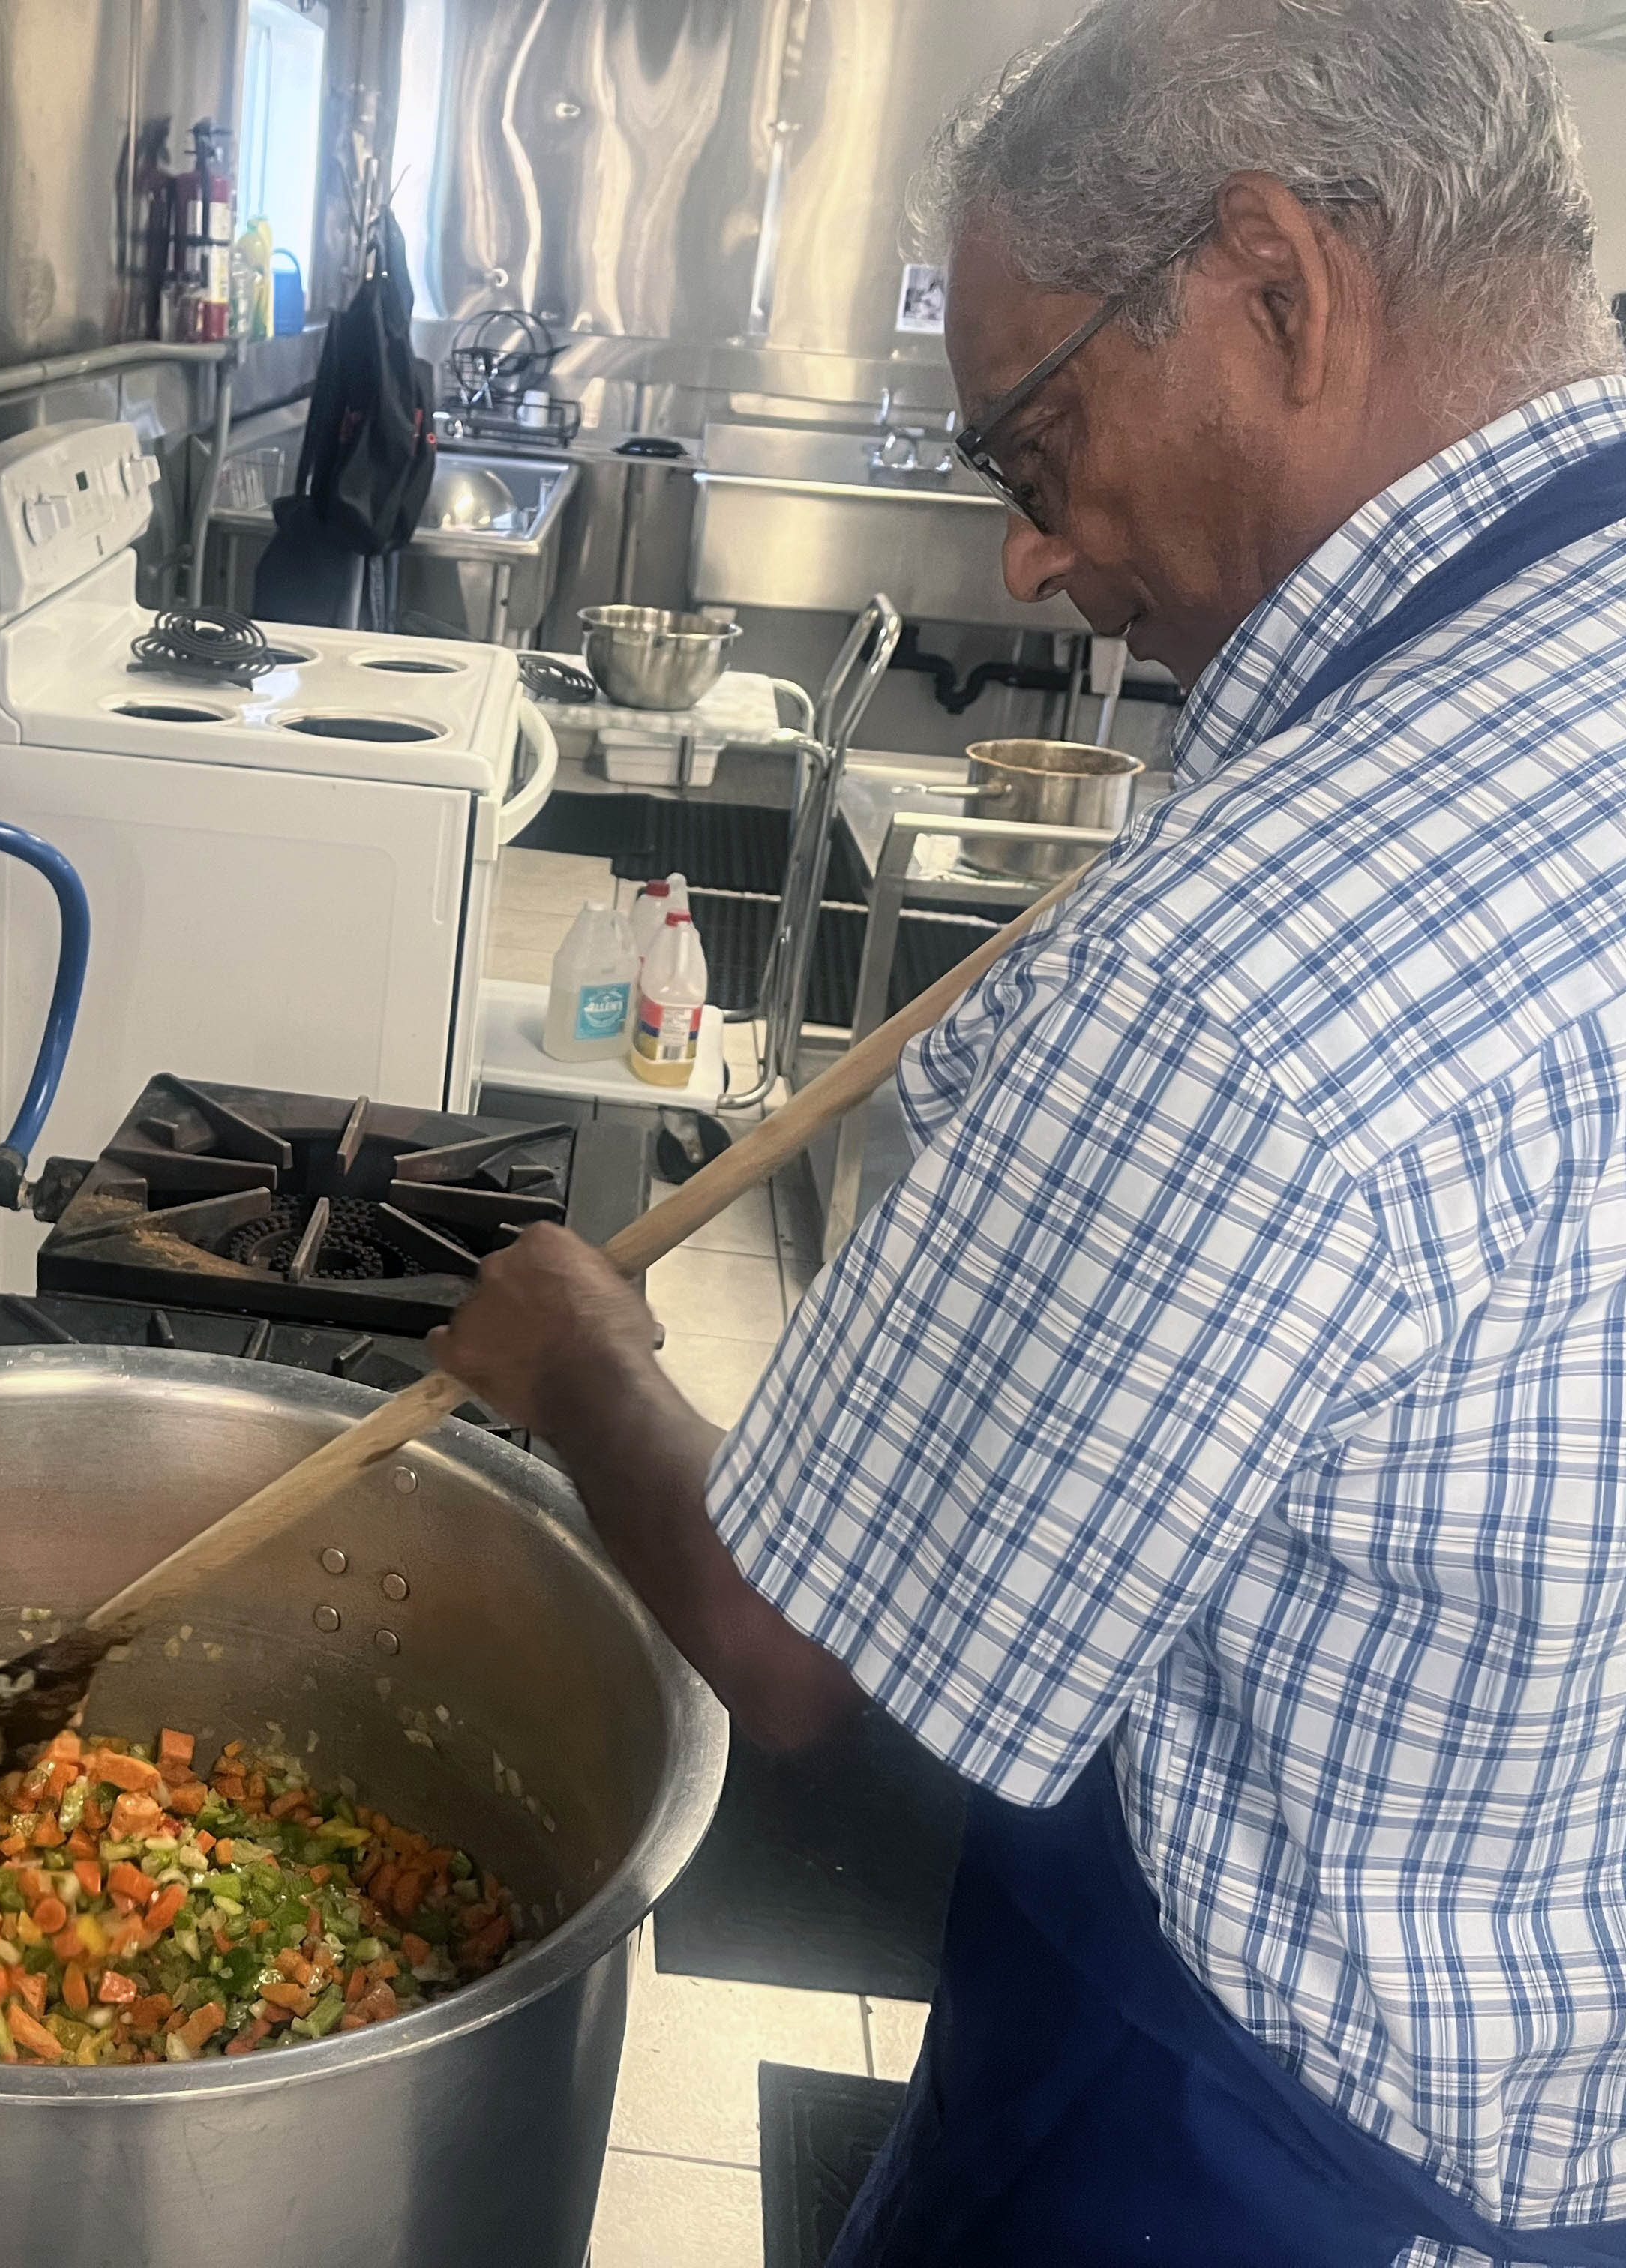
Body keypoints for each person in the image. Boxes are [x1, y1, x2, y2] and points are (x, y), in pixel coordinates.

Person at [428, 2, 1626, 2260]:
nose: (1031, 564)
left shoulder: (1256, 956)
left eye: (1036, 443)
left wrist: (572, 1348)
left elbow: (797, 1650)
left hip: (1261, 2179)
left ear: (1276, 290)